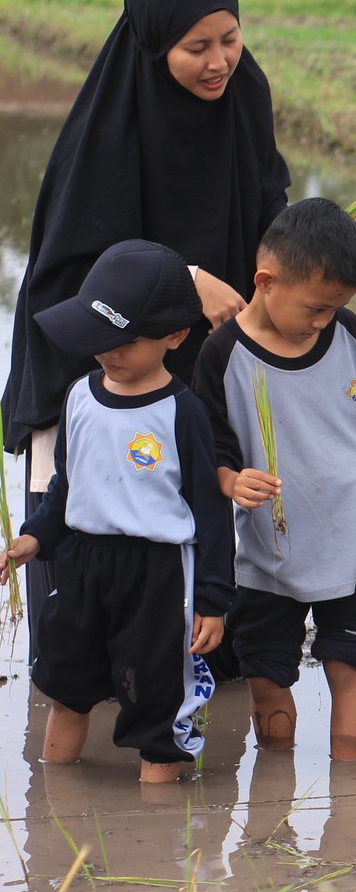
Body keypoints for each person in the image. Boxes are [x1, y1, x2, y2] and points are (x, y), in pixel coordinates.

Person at [2, 0, 289, 654]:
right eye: (197, 48)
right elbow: (76, 272)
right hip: (104, 365)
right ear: (156, 45)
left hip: (204, 354)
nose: (219, 61)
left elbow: (268, 202)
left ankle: (197, 679)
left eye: (230, 38)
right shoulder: (109, 127)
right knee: (82, 620)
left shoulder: (244, 92)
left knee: (202, 540)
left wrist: (293, 273)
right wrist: (187, 280)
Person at [191, 198, 356, 761]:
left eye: (335, 308)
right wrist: (229, 480)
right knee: (265, 671)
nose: (323, 321)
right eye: (315, 308)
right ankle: (275, 791)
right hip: (272, 548)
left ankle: (350, 788)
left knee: (349, 663)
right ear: (266, 282)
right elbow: (210, 446)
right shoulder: (222, 353)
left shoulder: (348, 332)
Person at [0, 241, 232, 783]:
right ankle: (55, 800)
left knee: (156, 703)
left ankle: (159, 817)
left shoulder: (183, 414)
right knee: (66, 687)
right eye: (99, 338)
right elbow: (66, 486)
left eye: (125, 341)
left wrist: (213, 600)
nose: (109, 352)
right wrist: (34, 538)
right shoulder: (78, 397)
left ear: (175, 337)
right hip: (82, 565)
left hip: (157, 575)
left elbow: (211, 514)